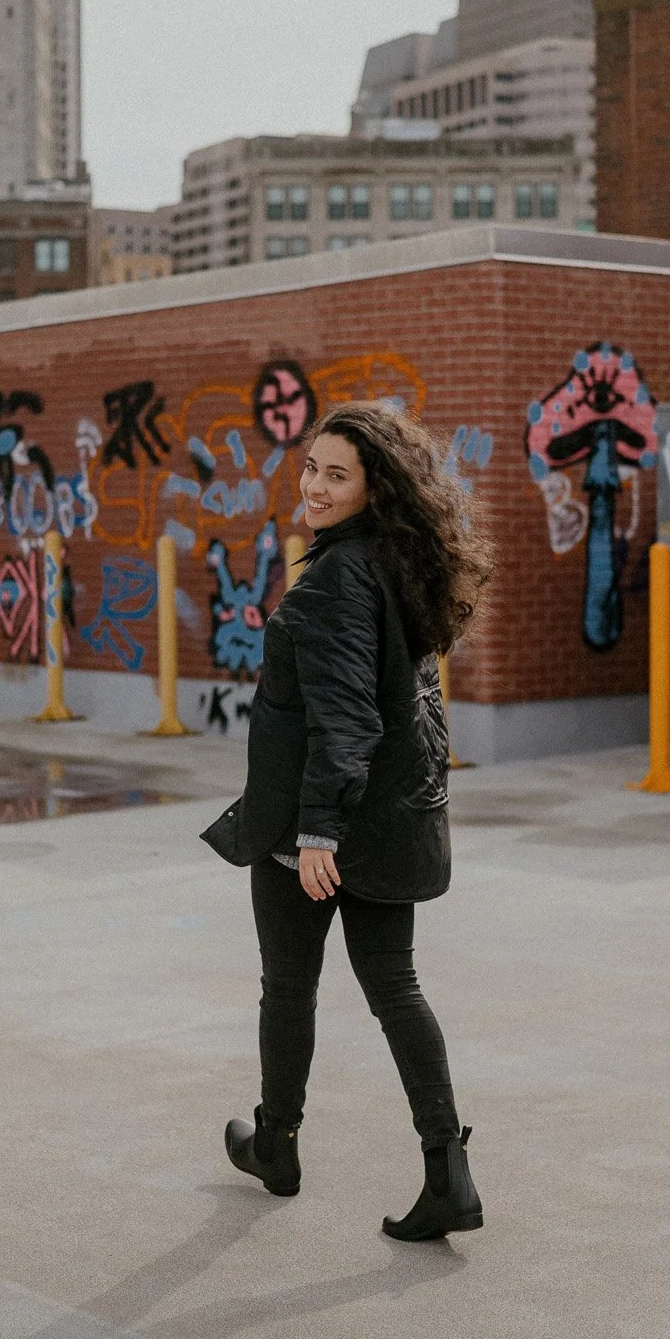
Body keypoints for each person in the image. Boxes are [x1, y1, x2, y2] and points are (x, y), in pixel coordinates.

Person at [198, 401, 496, 1241]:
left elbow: (347, 717)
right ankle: (448, 1173)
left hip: (316, 826)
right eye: (311, 468)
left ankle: (279, 1146)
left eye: (338, 474)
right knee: (394, 988)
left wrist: (318, 832)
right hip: (389, 819)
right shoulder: (400, 563)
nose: (316, 486)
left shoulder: (333, 578)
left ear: (375, 488)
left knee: (289, 986)